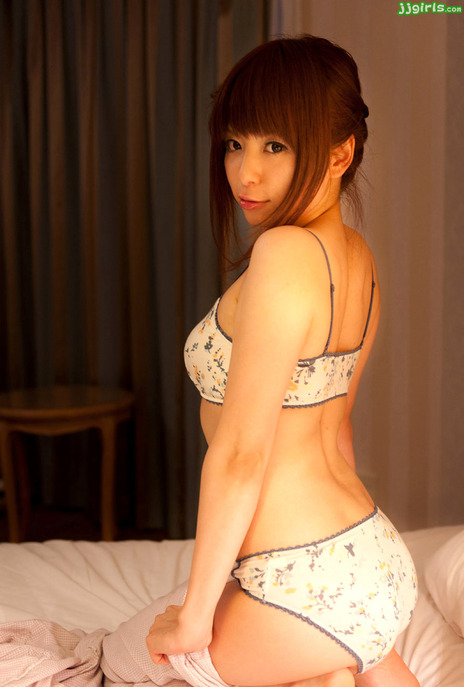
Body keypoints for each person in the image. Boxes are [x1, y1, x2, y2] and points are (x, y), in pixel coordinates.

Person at [144, 35, 419, 687]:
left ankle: (326, 657)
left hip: (300, 574)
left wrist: (194, 619)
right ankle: (336, 661)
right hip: (371, 553)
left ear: (339, 153)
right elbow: (337, 426)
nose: (245, 173)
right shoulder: (359, 259)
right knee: (326, 664)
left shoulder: (284, 254)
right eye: (234, 143)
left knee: (136, 666)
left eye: (275, 146)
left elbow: (242, 453)